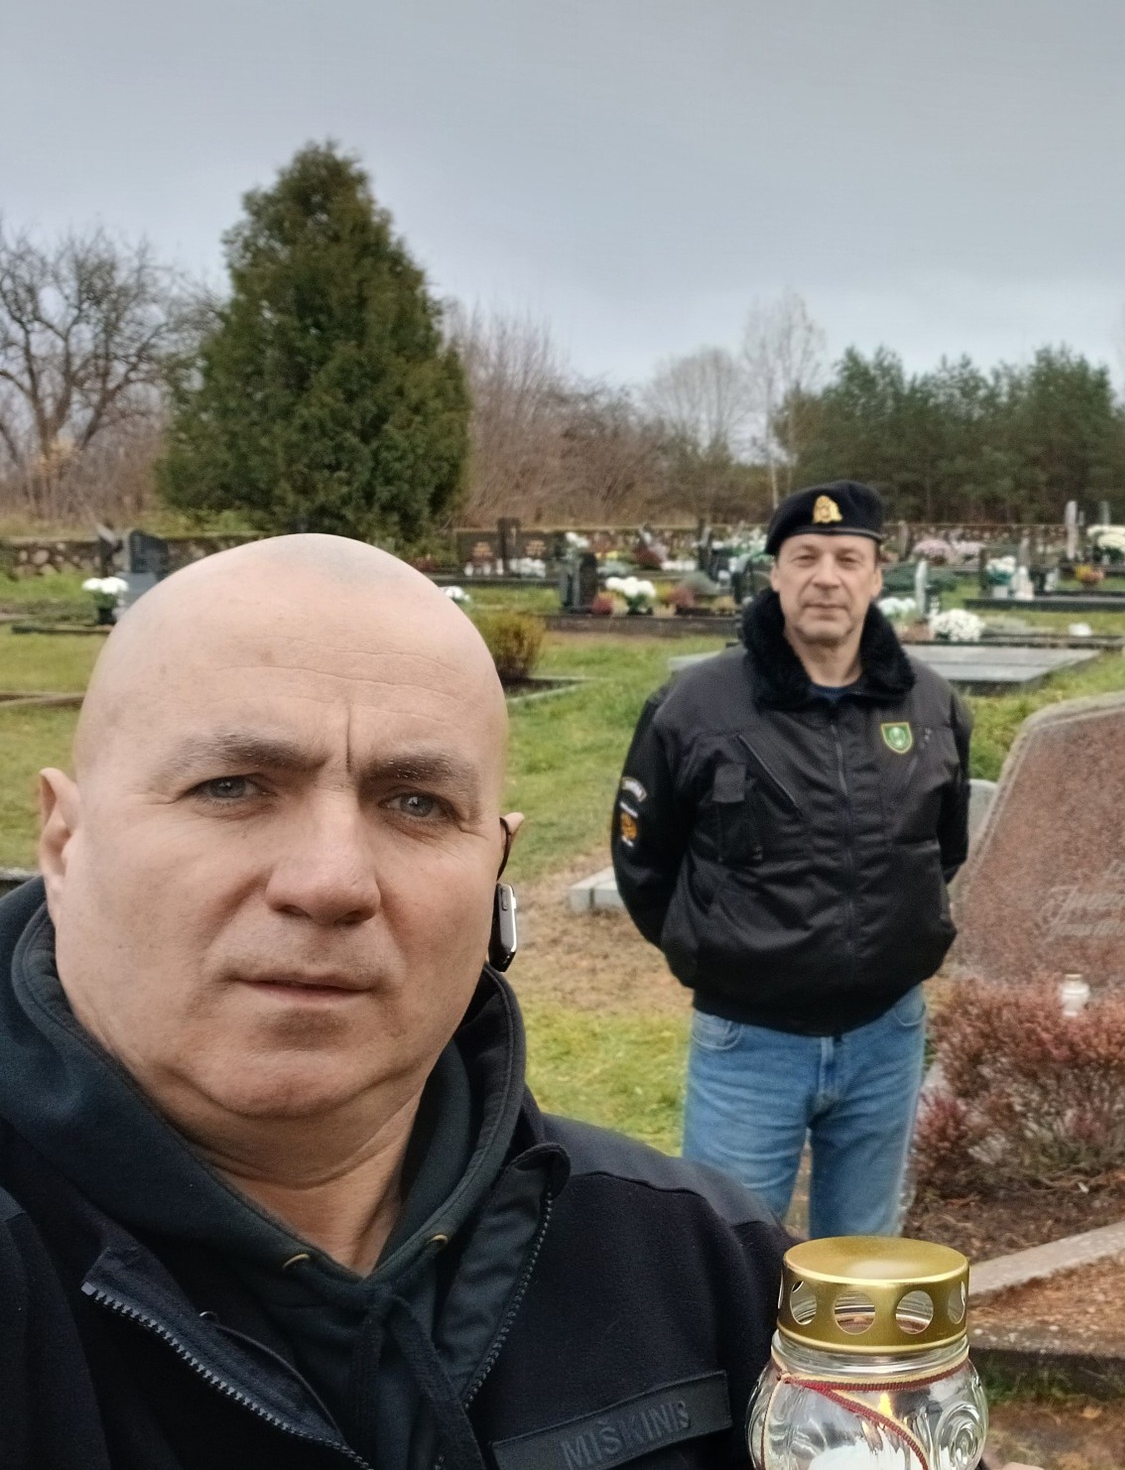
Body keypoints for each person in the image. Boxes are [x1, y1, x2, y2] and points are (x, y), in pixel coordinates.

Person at [0, 535, 786, 1470]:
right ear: (64, 844)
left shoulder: (705, 1269)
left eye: (416, 803)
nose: (333, 882)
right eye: (231, 787)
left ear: (496, 864)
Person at [614, 480, 973, 1238]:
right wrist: (717, 947)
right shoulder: (697, 707)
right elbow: (645, 865)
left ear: (877, 577)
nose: (826, 578)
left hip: (887, 1035)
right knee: (729, 1252)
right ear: (775, 574)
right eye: (805, 557)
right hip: (750, 1043)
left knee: (861, 1260)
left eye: (848, 559)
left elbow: (941, 852)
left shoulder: (932, 707)